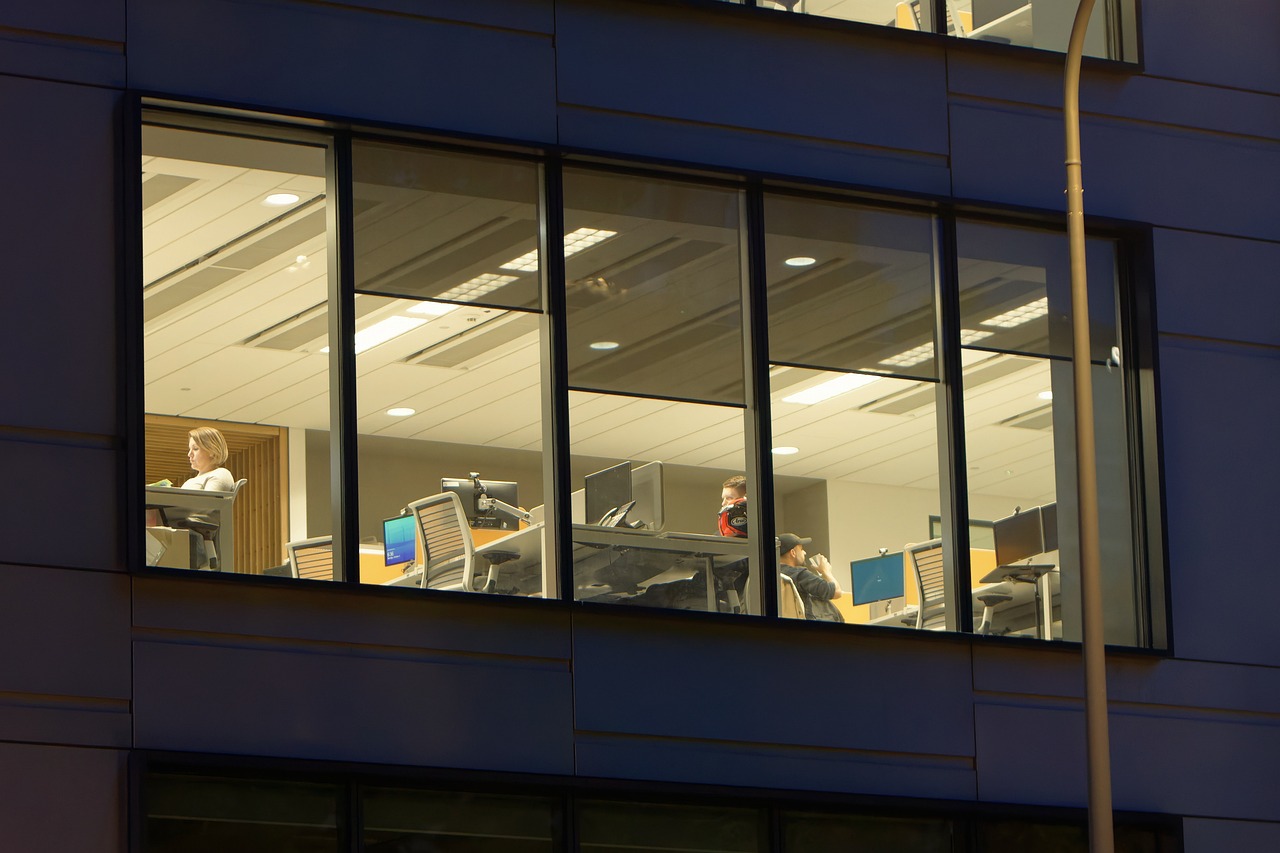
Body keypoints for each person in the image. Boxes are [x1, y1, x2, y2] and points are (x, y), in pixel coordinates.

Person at [777, 533, 845, 623]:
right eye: (801, 549)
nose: (804, 552)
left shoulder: (774, 575)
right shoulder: (800, 575)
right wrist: (826, 571)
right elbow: (836, 592)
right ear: (793, 553)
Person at [182, 426, 235, 491]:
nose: (189, 454)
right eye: (190, 449)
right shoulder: (190, 481)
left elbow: (209, 500)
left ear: (212, 451)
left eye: (195, 449)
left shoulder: (220, 473)